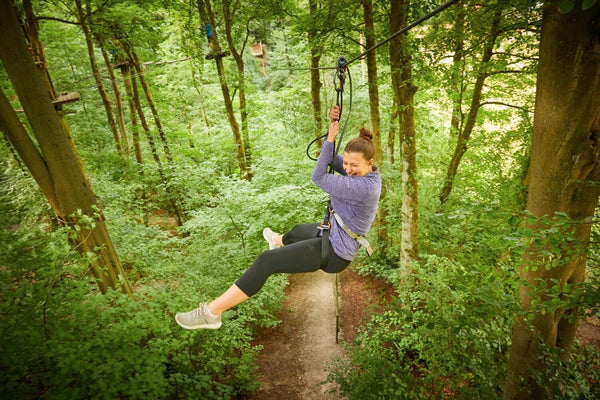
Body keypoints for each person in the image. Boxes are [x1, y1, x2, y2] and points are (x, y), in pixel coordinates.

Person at [175, 105, 382, 329]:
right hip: (332, 233)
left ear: (369, 163)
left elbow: (319, 175)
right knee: (296, 231)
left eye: (354, 165)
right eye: (347, 164)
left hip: (334, 253)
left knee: (266, 261)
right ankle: (278, 241)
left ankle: (211, 313)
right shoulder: (365, 174)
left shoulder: (363, 188)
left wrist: (331, 141)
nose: (348, 169)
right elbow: (331, 158)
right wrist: (330, 129)